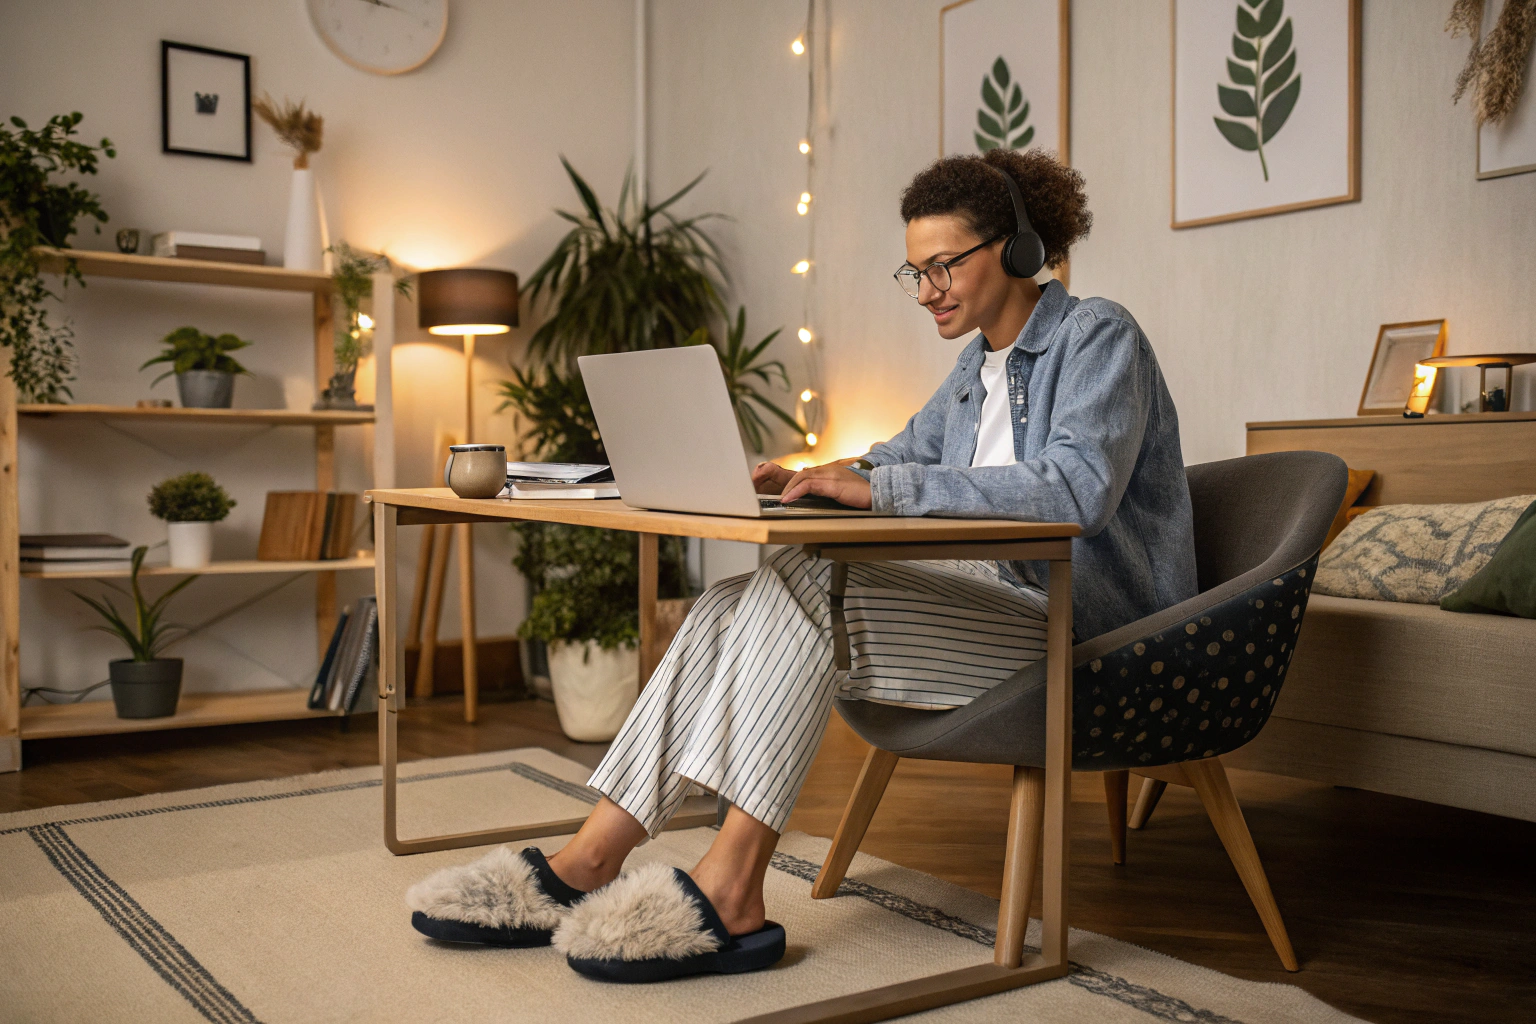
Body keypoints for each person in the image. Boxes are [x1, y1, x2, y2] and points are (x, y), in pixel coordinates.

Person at [403, 149, 1197, 983]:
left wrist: (880, 487)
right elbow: (893, 456)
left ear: (1019, 248)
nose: (927, 290)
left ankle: (734, 885)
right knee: (723, 604)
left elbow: (1076, 490)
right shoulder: (975, 370)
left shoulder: (1097, 335)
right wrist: (810, 477)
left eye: (943, 266)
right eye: (915, 271)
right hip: (992, 610)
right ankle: (591, 858)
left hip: (1089, 633)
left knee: (810, 580)